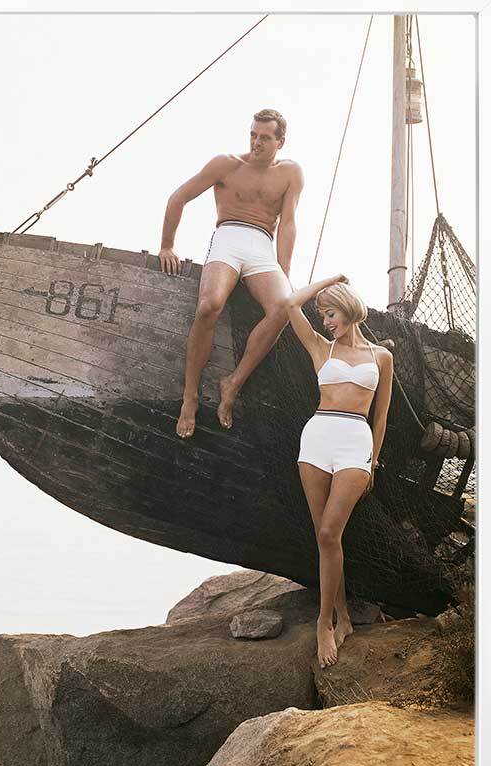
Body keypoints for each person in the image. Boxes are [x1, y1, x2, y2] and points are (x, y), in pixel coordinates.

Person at [158, 109, 304, 438]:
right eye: (253, 134)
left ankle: (233, 383)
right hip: (228, 237)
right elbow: (179, 196)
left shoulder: (291, 173)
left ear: (280, 141)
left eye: (264, 137)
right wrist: (167, 245)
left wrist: (284, 272)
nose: (256, 142)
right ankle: (190, 397)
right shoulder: (225, 164)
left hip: (262, 245)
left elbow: (288, 224)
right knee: (209, 305)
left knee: (284, 307)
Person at [286, 275, 393, 669]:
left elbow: (381, 417)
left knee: (330, 533)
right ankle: (341, 617)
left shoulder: (382, 356)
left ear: (348, 309)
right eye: (323, 315)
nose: (326, 321)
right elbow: (289, 305)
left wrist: (372, 460)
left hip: (355, 443)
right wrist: (329, 281)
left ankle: (323, 623)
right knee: (325, 538)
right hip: (317, 439)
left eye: (331, 313)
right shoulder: (320, 347)